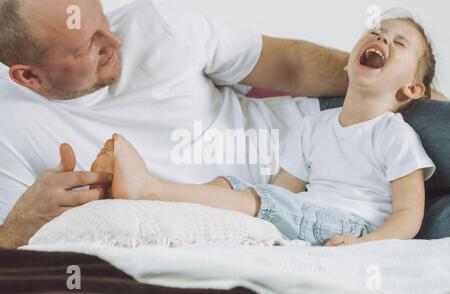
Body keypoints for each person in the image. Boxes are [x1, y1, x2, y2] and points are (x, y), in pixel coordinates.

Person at [0, 0, 350, 248]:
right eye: (87, 46)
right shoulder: (9, 129)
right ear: (28, 76)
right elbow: (9, 247)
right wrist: (18, 227)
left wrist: (392, 83)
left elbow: (291, 65)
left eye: (103, 20)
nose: (115, 41)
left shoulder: (154, 22)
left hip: (332, 129)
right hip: (297, 212)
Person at [89, 17, 436, 247]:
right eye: (376, 32)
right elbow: (282, 189)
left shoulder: (394, 134)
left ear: (412, 89)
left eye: (399, 43)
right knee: (233, 187)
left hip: (350, 227)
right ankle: (157, 213)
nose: (382, 37)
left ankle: (148, 189)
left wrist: (363, 246)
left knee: (259, 202)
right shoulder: (314, 126)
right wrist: (250, 198)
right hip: (304, 215)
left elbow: (408, 215)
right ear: (347, 62)